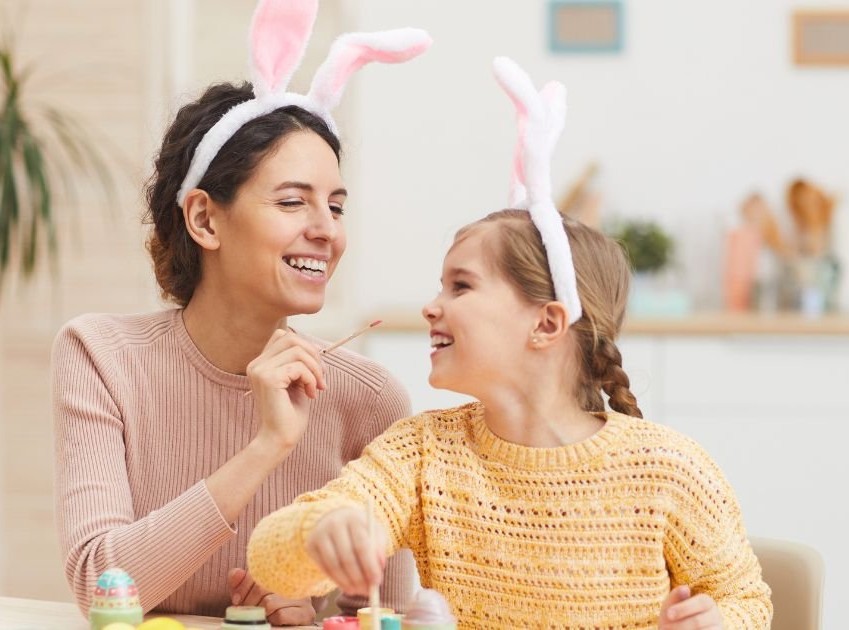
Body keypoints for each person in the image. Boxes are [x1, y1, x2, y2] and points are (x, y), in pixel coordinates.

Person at [245, 58, 772, 629]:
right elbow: (272, 563)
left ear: (547, 324)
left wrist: (718, 622)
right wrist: (318, 531)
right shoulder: (423, 456)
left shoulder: (669, 470)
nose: (431, 305)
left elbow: (749, 600)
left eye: (461, 286)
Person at [51, 1, 431, 624]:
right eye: (292, 202)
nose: (325, 231)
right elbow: (101, 585)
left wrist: (313, 616)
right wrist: (269, 444)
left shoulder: (370, 400)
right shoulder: (102, 357)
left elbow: (384, 612)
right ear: (204, 218)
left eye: (336, 207)